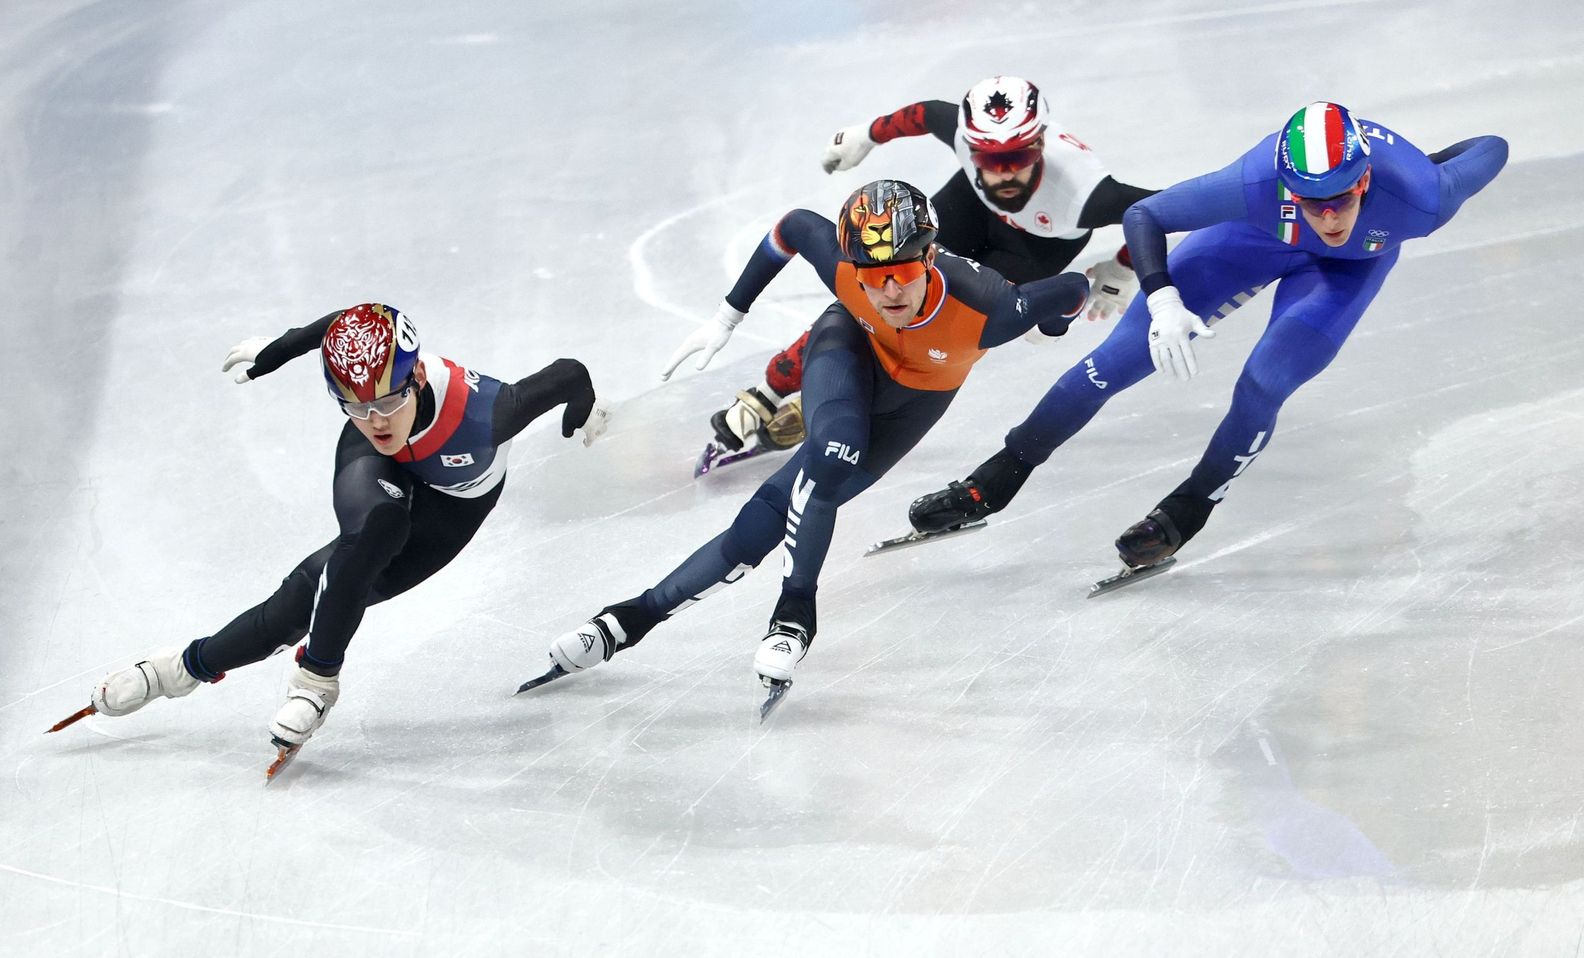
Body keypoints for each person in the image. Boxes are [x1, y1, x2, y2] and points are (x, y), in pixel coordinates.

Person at [906, 101, 1509, 569]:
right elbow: (1146, 214)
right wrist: (1163, 297)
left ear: (1366, 180)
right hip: (1253, 234)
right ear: (1288, 186)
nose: (1328, 217)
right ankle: (997, 477)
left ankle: (1190, 506)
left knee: (1264, 382)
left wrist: (1422, 163)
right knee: (1116, 359)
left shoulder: (1423, 197)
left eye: (1342, 199)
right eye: (1310, 201)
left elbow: (1491, 147)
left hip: (1345, 271)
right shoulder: (1255, 181)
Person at [543, 180, 1089, 695]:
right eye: (872, 275)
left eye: (902, 271)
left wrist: (1052, 325)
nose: (889, 289)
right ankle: (795, 613)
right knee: (831, 454)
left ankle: (627, 621)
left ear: (929, 257)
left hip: (912, 404)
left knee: (763, 523)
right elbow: (794, 225)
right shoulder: (845, 271)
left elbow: (1075, 289)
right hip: (847, 347)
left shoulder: (991, 307)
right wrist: (726, 317)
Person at [56, 303, 606, 754]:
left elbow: (570, 374)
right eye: (355, 406)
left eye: (388, 402)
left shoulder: (492, 412)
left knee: (306, 602)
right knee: (372, 534)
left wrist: (582, 410)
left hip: (452, 508)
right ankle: (309, 681)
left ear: (416, 377)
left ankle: (183, 668)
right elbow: (341, 326)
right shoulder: (371, 417)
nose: (377, 420)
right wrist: (280, 350)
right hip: (379, 466)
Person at [684, 75, 1155, 458]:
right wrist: (867, 135)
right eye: (987, 158)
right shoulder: (964, 136)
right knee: (883, 284)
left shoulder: (1086, 194)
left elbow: (1160, 210)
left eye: (1018, 157)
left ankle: (847, 393)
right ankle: (774, 385)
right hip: (971, 207)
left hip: (1037, 245)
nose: (1003, 173)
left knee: (955, 327)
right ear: (969, 146)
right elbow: (927, 113)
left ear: (1042, 144)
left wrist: (1124, 266)